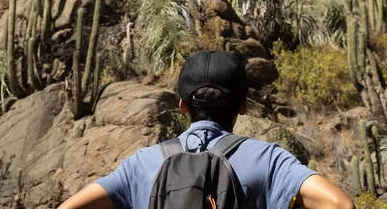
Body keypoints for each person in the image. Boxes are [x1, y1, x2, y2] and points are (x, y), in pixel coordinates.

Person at [58, 50, 355, 209]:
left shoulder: (141, 164)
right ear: (243, 105)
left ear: (182, 106)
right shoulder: (268, 159)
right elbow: (339, 204)